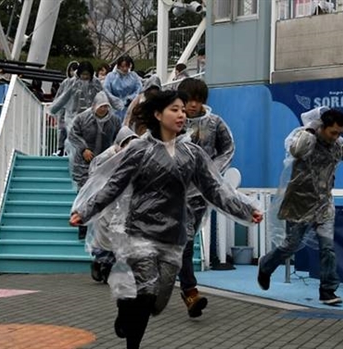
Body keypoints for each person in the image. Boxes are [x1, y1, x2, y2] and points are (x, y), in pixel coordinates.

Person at [69, 90, 263, 349]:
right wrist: (85, 211)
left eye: (183, 109)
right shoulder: (139, 150)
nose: (182, 114)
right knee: (147, 293)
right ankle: (131, 336)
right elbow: (113, 185)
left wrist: (246, 210)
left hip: (173, 236)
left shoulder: (191, 154)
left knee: (158, 302)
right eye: (175, 109)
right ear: (158, 115)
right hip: (138, 233)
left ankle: (126, 304)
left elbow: (215, 189)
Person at [257, 107, 343, 305]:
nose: (335, 137)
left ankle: (328, 290)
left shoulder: (337, 145)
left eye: (339, 133)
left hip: (324, 204)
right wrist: (311, 128)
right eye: (333, 132)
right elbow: (296, 150)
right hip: (301, 203)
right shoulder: (306, 137)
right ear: (322, 127)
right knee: (290, 246)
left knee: (328, 248)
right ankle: (266, 265)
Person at [175, 78, 235, 318]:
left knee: (184, 242)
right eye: (189, 100)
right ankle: (190, 292)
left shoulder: (214, 123)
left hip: (200, 195)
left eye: (198, 100)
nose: (193, 105)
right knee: (184, 243)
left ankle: (179, 286)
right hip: (173, 193)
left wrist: (210, 170)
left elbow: (228, 149)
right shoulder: (172, 120)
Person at [67, 91, 122, 240]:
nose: (103, 110)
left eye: (106, 107)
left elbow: (119, 138)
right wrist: (83, 148)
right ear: (94, 106)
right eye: (101, 107)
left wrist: (114, 152)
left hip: (105, 163)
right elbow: (73, 135)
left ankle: (99, 229)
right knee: (84, 193)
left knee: (101, 194)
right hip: (84, 162)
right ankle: (82, 227)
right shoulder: (82, 119)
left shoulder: (114, 121)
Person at [86, 126, 139, 283]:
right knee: (104, 232)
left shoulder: (134, 157)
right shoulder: (107, 157)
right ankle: (100, 263)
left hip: (123, 201)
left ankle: (110, 266)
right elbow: (96, 175)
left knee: (119, 233)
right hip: (106, 200)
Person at [50, 61, 122, 157]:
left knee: (88, 140)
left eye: (87, 75)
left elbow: (105, 95)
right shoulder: (71, 83)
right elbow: (63, 98)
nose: (85, 77)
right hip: (72, 116)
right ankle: (73, 157)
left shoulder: (95, 82)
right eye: (83, 74)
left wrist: (116, 104)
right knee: (74, 137)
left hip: (89, 117)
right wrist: (54, 109)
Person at [104, 55, 142, 123]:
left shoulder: (133, 76)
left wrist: (131, 98)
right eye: (122, 66)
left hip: (130, 106)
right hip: (114, 109)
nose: (125, 69)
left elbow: (139, 89)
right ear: (118, 66)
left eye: (127, 66)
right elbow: (106, 90)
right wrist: (116, 101)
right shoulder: (110, 76)